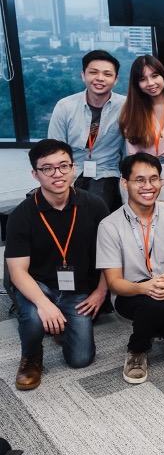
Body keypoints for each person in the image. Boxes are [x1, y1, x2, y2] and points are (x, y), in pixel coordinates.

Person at [6, 140, 110, 390]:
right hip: (37, 285)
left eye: (64, 166)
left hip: (78, 288)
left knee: (81, 359)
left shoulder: (94, 205)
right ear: (35, 174)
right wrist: (45, 305)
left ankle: (60, 323)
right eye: (48, 169)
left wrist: (100, 292)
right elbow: (17, 272)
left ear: (74, 168)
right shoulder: (21, 215)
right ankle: (31, 356)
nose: (58, 174)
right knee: (32, 316)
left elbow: (111, 255)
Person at [96, 154, 164, 384]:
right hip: (132, 293)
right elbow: (114, 282)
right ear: (125, 183)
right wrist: (146, 288)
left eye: (154, 179)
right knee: (153, 303)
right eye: (139, 180)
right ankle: (137, 349)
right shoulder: (109, 226)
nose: (148, 186)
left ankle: (157, 324)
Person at [47, 49, 126, 211]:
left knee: (92, 208)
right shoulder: (65, 106)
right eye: (94, 72)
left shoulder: (126, 107)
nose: (100, 78)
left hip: (106, 171)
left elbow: (130, 148)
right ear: (83, 75)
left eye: (107, 74)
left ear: (116, 79)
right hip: (70, 170)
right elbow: (54, 149)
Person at [119, 55, 164, 204]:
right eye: (142, 79)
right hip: (140, 174)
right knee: (131, 196)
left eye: (155, 76)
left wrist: (161, 177)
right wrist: (146, 180)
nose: (150, 83)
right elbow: (132, 154)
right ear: (136, 84)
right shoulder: (132, 111)